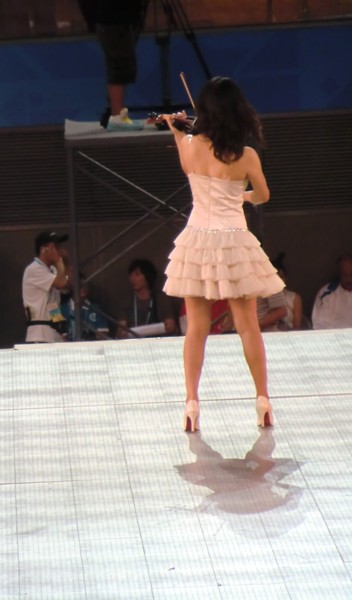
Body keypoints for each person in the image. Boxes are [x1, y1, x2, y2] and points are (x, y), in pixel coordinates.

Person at [160, 76, 284, 432]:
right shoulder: (247, 156)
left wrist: (175, 129)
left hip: (198, 239)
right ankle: (262, 399)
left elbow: (187, 163)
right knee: (248, 326)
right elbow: (263, 196)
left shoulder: (191, 146)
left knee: (196, 328)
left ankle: (191, 403)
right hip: (234, 240)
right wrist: (241, 196)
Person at [78, 0, 147, 131]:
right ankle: (116, 116)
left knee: (121, 65)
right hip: (113, 21)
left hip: (117, 20)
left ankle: (117, 114)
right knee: (118, 65)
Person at [22, 232, 71, 343]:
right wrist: (58, 262)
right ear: (43, 249)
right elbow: (60, 283)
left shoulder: (52, 270)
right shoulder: (34, 269)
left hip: (53, 331)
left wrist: (66, 263)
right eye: (55, 247)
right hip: (39, 335)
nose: (59, 250)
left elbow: (69, 284)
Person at [117, 259, 177, 338]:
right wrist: (122, 333)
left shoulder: (161, 299)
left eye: (137, 275)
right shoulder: (126, 300)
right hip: (134, 342)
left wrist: (164, 327)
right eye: (131, 275)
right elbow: (121, 329)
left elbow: (171, 326)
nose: (133, 279)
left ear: (148, 276)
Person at [312, 255, 352, 330]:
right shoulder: (327, 293)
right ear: (339, 274)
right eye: (344, 275)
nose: (349, 280)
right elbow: (321, 325)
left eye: (351, 275)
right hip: (336, 336)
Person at [271, 253, 303, 330]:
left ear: (286, 278)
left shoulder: (294, 297)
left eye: (281, 276)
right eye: (275, 277)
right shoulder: (261, 298)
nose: (278, 280)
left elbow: (297, 326)